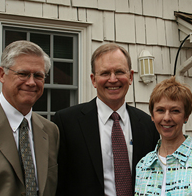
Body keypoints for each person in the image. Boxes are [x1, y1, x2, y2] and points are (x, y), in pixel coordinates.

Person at [53, 43, 159, 196]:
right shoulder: (67, 122)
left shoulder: (148, 124)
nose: (113, 79)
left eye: (119, 71)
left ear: (130, 77)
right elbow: (59, 183)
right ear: (93, 80)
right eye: (104, 73)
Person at [0, 40, 59, 196]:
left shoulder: (51, 131)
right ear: (2, 74)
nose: (31, 82)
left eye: (38, 75)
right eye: (23, 74)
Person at [135, 76, 192, 195]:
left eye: (175, 111)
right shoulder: (143, 165)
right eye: (160, 110)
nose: (167, 118)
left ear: (186, 116)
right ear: (152, 116)